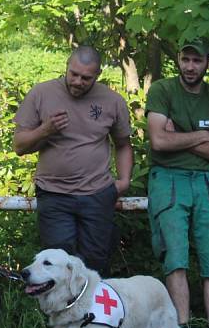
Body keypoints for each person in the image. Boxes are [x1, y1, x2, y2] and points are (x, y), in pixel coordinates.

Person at [145, 38, 209, 328]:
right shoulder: (162, 91)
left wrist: (178, 135)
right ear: (178, 60)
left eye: (197, 60)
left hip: (208, 181)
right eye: (185, 59)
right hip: (167, 180)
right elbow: (158, 141)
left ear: (208, 62)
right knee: (175, 256)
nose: (190, 66)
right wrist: (201, 136)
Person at [13, 45, 132, 275]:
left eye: (86, 78)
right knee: (56, 264)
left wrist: (124, 180)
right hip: (54, 193)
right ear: (66, 67)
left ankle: (94, 311)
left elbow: (123, 145)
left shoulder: (112, 100)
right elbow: (19, 146)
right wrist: (45, 130)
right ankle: (58, 310)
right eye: (73, 74)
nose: (78, 81)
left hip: (98, 193)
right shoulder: (41, 93)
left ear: (97, 75)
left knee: (96, 263)